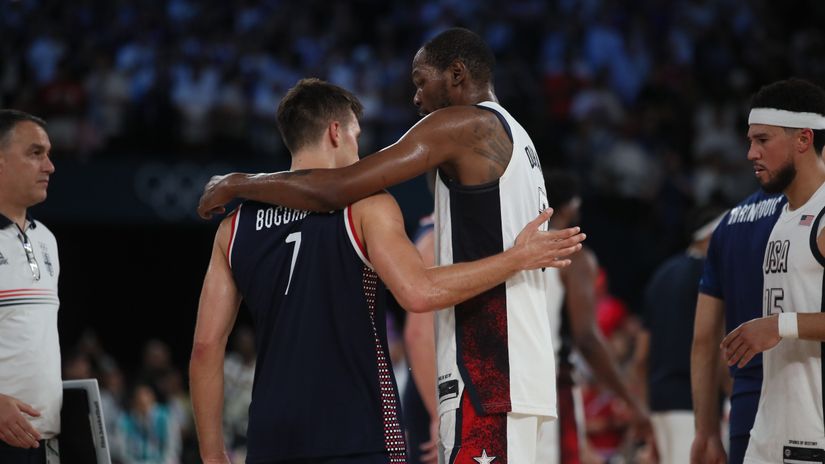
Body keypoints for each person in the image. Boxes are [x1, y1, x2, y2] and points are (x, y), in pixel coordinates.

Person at [197, 28, 570, 463]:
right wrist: (516, 260)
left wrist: (238, 182)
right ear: (337, 132)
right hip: (411, 411)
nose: (415, 98)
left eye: (420, 81)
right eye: (357, 134)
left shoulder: (237, 227)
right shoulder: (517, 139)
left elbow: (334, 189)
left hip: (484, 374)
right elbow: (415, 288)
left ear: (456, 74)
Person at [718, 78, 825, 462]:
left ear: (803, 140)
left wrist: (777, 326)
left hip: (813, 437)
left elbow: (781, 326)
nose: (751, 153)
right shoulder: (780, 216)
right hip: (771, 426)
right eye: (750, 142)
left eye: (763, 140)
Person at [544, 170, 651, 463]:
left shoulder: (510, 249)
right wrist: (631, 401)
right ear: (570, 206)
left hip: (504, 382)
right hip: (552, 386)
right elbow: (587, 338)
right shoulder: (573, 255)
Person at [689, 190, 785, 464]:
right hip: (806, 396)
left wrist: (705, 431)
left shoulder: (730, 222)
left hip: (747, 403)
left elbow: (704, 338)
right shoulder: (806, 209)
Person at [639, 206, 725, 464]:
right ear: (714, 235)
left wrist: (644, 408)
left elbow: (641, 355)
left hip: (659, 403)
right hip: (694, 405)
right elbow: (716, 344)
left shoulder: (661, 274)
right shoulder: (710, 276)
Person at [0, 109, 60, 464]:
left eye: (48, 154)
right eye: (35, 153)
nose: (50, 166)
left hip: (43, 447)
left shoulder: (48, 241)